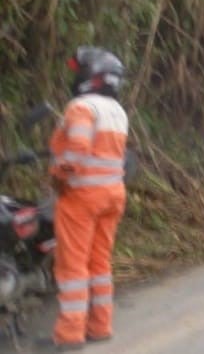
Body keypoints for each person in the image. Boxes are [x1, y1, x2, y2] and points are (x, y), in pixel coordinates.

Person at [41, 47, 129, 351]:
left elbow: (76, 150)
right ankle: (100, 325)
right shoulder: (117, 111)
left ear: (89, 76)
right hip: (113, 194)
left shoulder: (81, 108)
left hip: (82, 195)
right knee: (99, 261)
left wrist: (59, 176)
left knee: (73, 266)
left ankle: (69, 334)